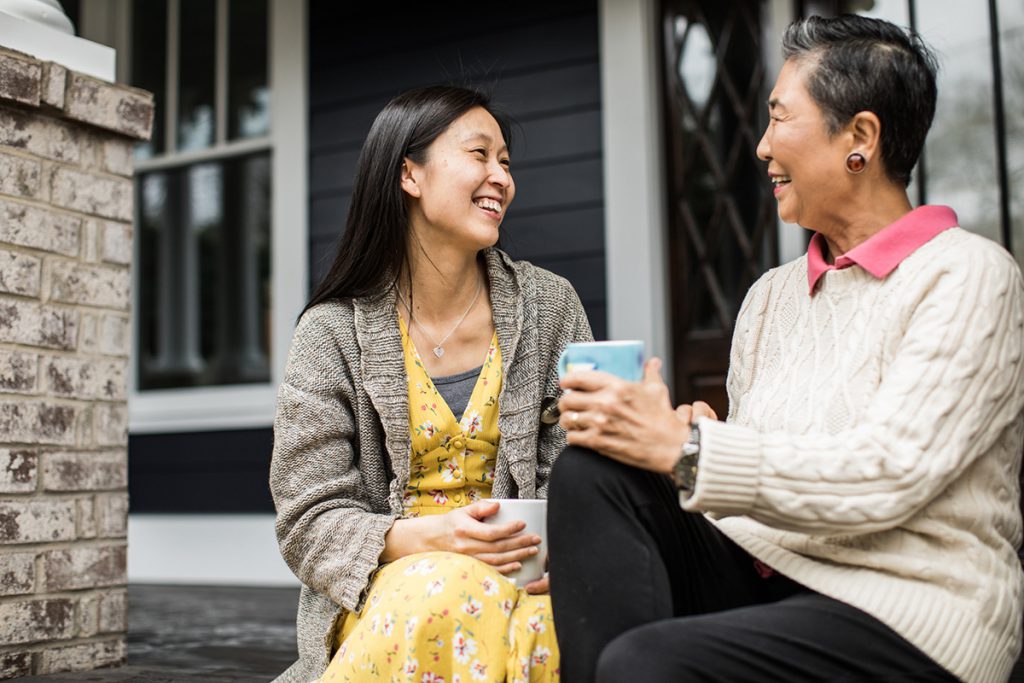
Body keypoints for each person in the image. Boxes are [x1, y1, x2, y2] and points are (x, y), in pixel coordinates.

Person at [547, 14, 1024, 683]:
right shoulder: (770, 297)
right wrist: (688, 446)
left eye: (780, 118)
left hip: (911, 606)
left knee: (644, 662)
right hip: (768, 571)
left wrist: (689, 452)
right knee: (593, 473)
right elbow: (768, 469)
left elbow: (891, 473)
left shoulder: (969, 274)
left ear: (860, 137)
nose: (763, 146)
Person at [270, 85, 592, 683]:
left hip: (529, 574)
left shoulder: (552, 306)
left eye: (506, 161)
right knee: (443, 594)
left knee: (564, 625)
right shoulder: (330, 332)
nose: (500, 176)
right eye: (479, 154)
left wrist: (563, 551)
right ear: (410, 175)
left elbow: (583, 463)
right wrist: (426, 537)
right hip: (395, 588)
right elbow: (307, 518)